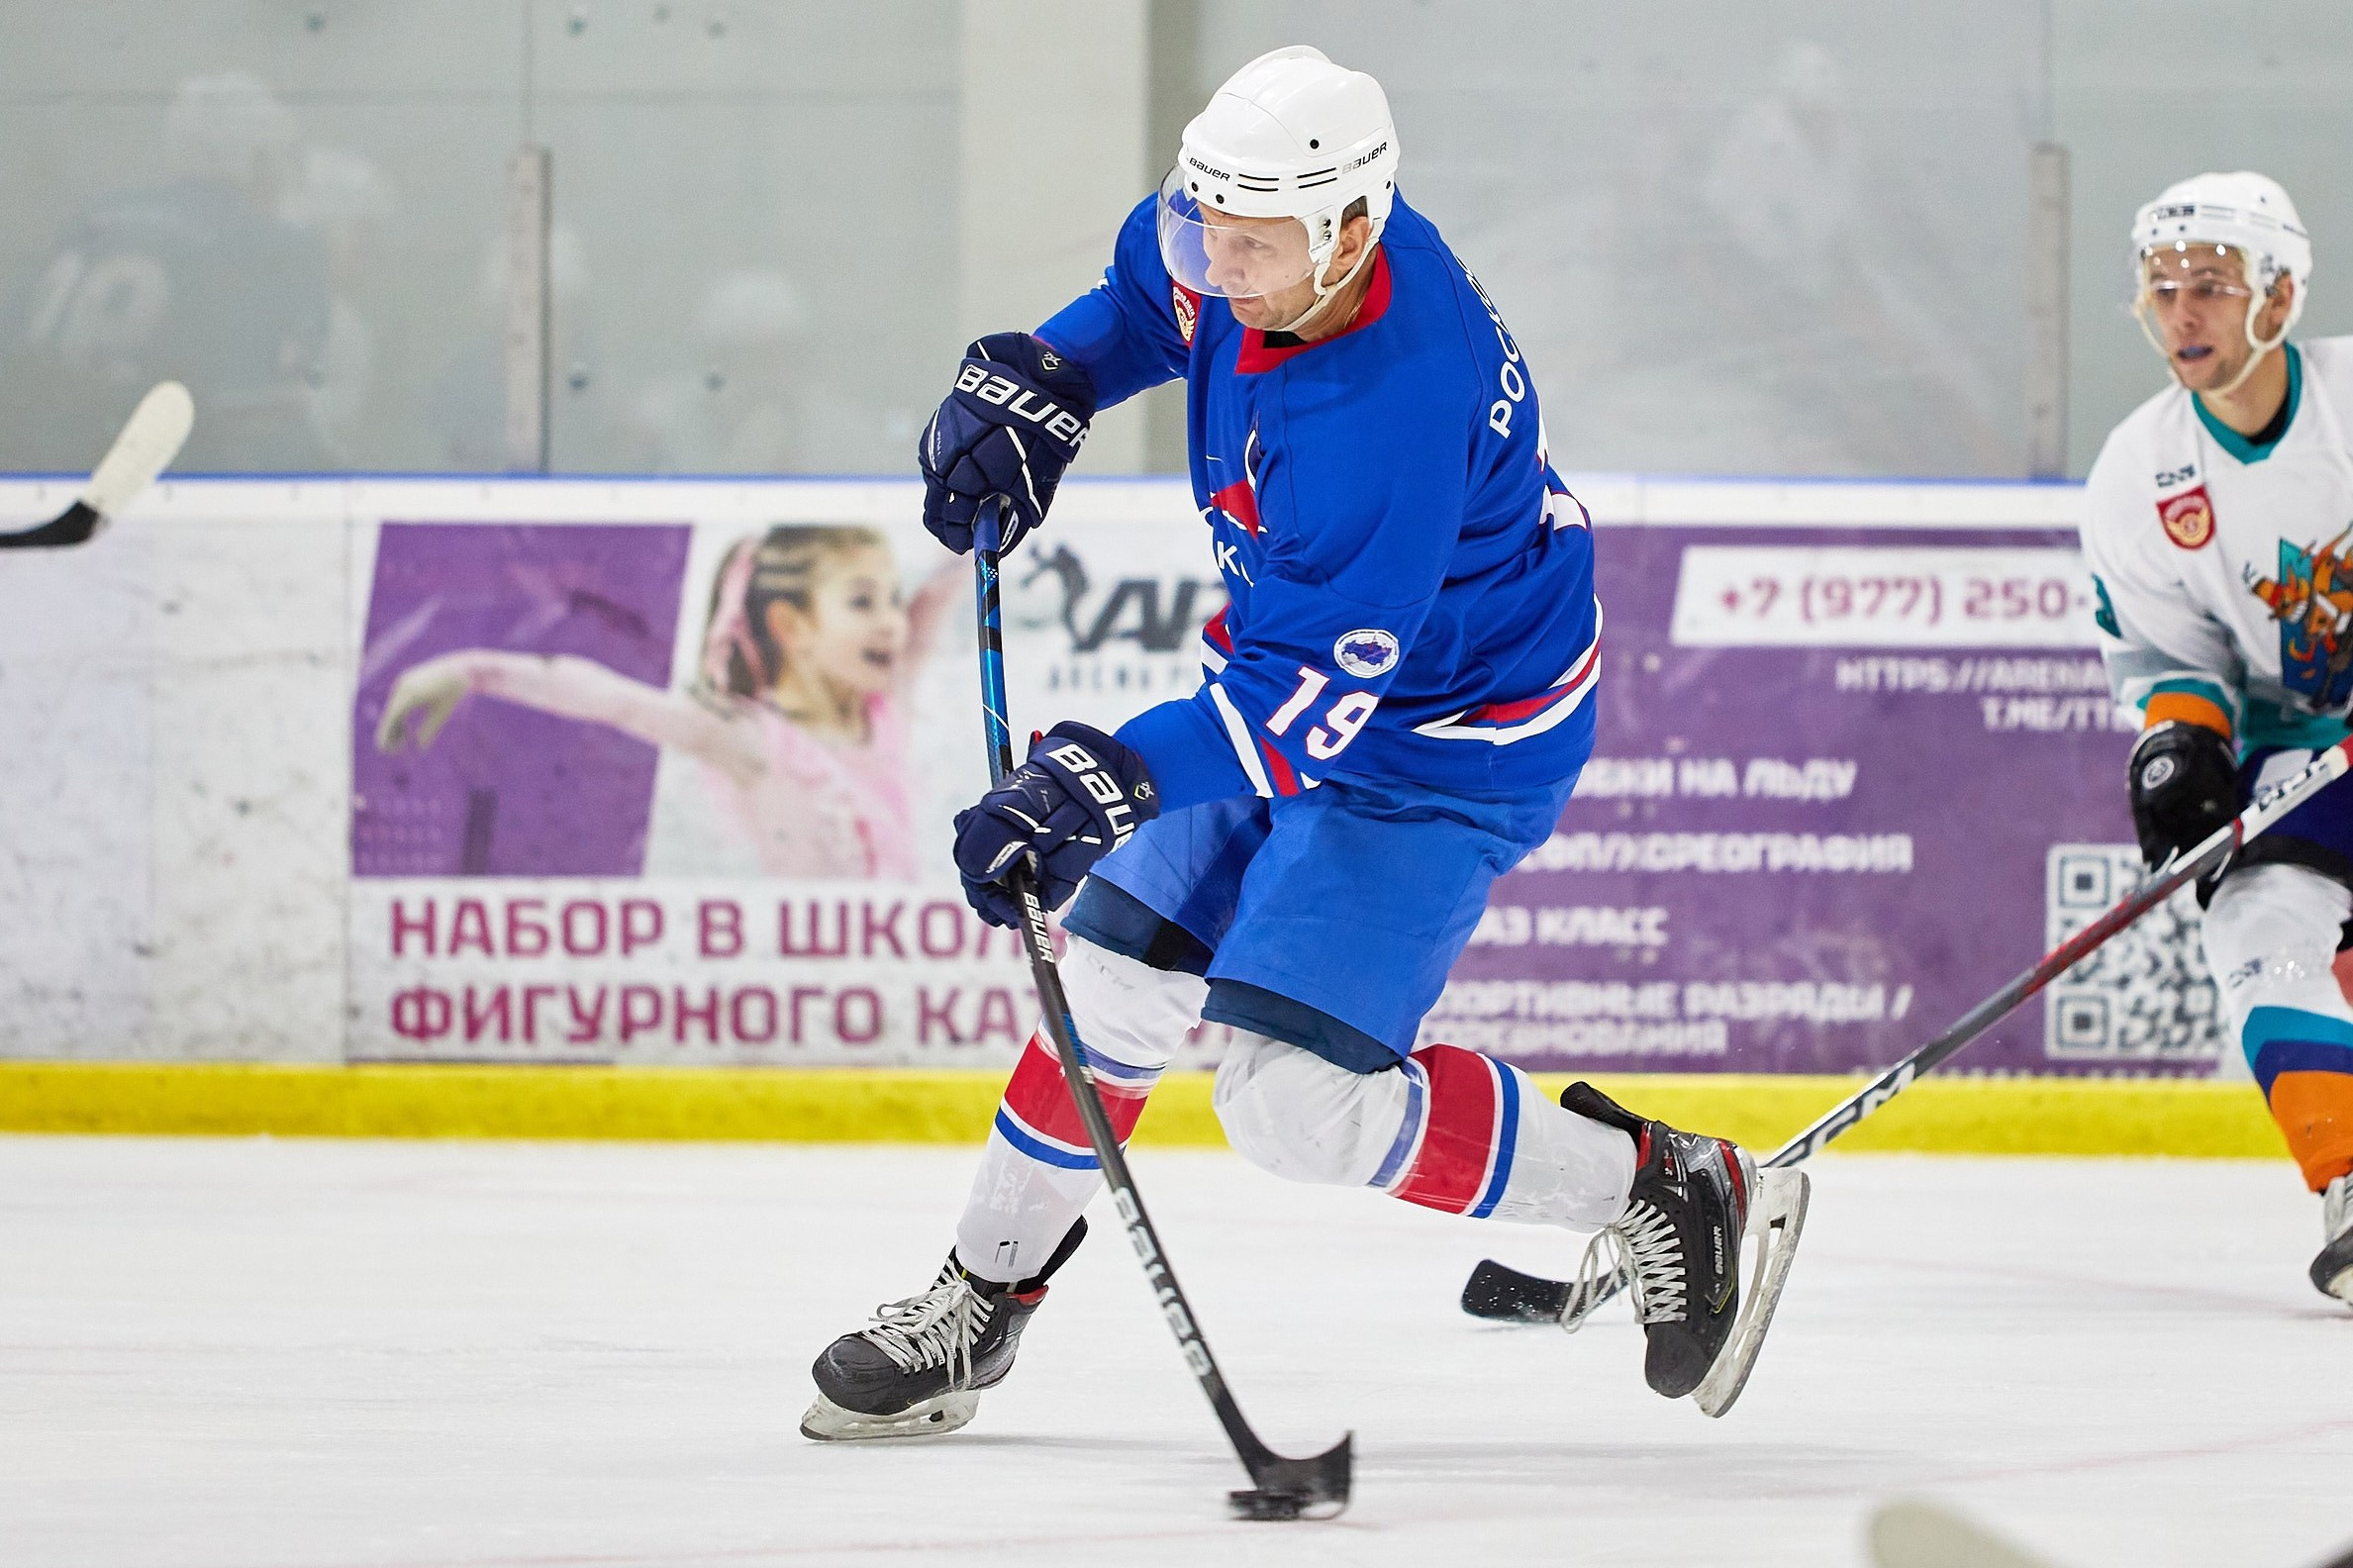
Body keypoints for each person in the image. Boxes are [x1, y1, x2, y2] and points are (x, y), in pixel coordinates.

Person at [801, 46, 1809, 1442]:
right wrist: (1046, 377)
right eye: (1205, 224)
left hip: (1445, 742)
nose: (1217, 261)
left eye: (1253, 242)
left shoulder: (1386, 406)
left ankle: (1655, 1181)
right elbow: (1138, 310)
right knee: (1109, 982)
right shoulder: (1247, 231)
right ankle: (983, 1299)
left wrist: (1104, 778)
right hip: (1312, 673)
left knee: (1292, 1107)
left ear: (1352, 230)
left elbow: (1295, 715)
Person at [2081, 171, 2353, 1306]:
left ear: (2279, 298)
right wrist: (2178, 748)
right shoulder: (2137, 476)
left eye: (2210, 285)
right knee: (2257, 918)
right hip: (2309, 747)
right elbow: (2168, 658)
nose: (2182, 312)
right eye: (2162, 289)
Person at [377, 524, 953, 880]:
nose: (892, 623)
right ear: (791, 625)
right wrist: (468, 669)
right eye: (862, 602)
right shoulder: (750, 741)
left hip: (888, 975)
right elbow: (612, 700)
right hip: (818, 987)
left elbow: (952, 581)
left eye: (893, 599)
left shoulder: (885, 711)